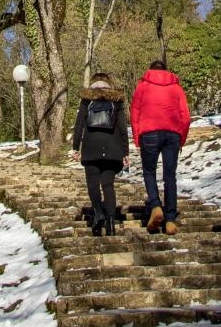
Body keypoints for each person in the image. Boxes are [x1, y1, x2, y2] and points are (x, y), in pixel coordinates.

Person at [131, 59, 191, 235]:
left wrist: (137, 138)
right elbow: (185, 116)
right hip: (172, 134)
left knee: (149, 172)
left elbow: (134, 112)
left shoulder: (142, 86)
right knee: (170, 176)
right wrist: (181, 138)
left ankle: (156, 205)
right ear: (166, 70)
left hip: (149, 133)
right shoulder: (176, 87)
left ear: (150, 70)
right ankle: (170, 219)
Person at [69, 72, 130, 235]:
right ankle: (110, 222)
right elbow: (122, 127)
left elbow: (79, 124)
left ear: (93, 83)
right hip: (112, 148)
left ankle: (99, 213)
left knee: (93, 183)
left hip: (91, 147)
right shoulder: (116, 99)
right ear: (109, 83)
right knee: (108, 184)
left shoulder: (87, 99)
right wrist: (125, 152)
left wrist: (75, 147)